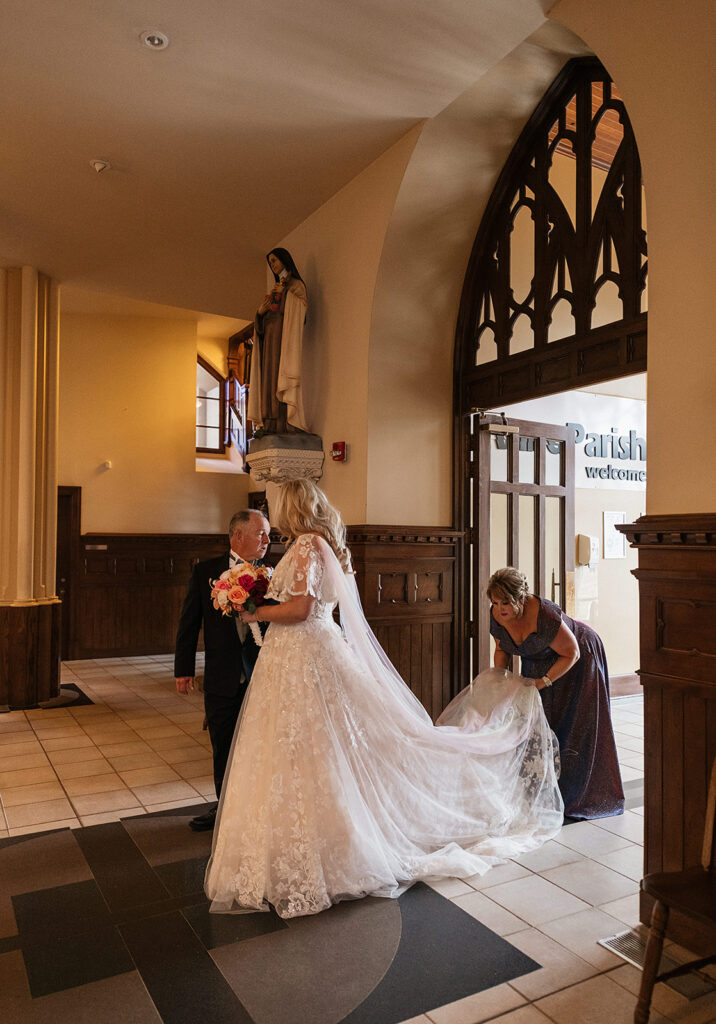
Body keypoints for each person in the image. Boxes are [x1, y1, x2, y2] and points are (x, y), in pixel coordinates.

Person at [204, 481, 563, 920]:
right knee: (320, 747)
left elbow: (300, 610)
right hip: (311, 651)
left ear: (291, 507)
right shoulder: (324, 544)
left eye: (276, 504)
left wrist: (252, 610)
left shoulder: (305, 546)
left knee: (304, 746)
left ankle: (318, 845)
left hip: (300, 653)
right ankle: (313, 836)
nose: (272, 512)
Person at [487, 566, 624, 821]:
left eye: (505, 602)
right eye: (495, 602)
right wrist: (500, 680)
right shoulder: (498, 614)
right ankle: (541, 793)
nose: (500, 609)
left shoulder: (544, 615)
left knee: (575, 725)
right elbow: (502, 649)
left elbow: (572, 653)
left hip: (578, 660)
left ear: (521, 599)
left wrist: (544, 681)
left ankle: (579, 797)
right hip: (539, 665)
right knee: (541, 725)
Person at [174, 509, 271, 831]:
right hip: (222, 676)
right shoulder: (207, 572)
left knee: (260, 746)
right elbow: (189, 623)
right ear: (238, 535)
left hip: (264, 675)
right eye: (261, 533)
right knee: (223, 745)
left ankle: (258, 808)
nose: (267, 541)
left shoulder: (274, 574)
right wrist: (183, 669)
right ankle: (224, 809)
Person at [247, 247, 308, 434]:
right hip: (270, 340)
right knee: (269, 380)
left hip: (284, 340)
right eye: (270, 262)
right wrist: (260, 313)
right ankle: (270, 423)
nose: (272, 265)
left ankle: (284, 423)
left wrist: (285, 294)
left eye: (274, 261)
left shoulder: (295, 285)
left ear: (284, 260)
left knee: (280, 376)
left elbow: (301, 307)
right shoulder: (274, 288)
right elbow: (262, 325)